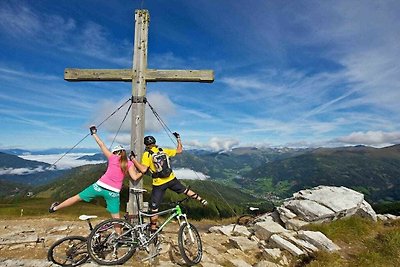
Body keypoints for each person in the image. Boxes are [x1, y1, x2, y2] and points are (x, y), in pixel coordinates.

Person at [48, 126, 142, 219]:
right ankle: (118, 234)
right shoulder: (129, 163)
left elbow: (101, 144)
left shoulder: (112, 157)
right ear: (123, 152)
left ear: (115, 153)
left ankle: (55, 208)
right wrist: (142, 172)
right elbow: (134, 178)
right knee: (116, 218)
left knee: (76, 198)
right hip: (113, 192)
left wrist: (94, 133)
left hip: (99, 186)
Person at [129, 132, 208, 231]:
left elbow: (143, 170)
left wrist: (133, 159)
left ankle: (153, 229)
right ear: (155, 143)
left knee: (154, 209)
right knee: (185, 190)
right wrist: (178, 139)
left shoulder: (147, 154)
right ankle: (201, 200)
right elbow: (179, 150)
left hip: (159, 184)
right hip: (171, 179)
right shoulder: (163, 150)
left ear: (146, 145)